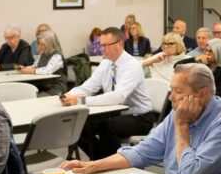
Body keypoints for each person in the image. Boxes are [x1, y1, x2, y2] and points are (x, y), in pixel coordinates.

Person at [61, 63, 221, 174]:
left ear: (201, 94)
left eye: (178, 91)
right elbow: (143, 152)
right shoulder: (178, 113)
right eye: (171, 90)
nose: (171, 98)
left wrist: (182, 126)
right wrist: (93, 165)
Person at [61, 27, 153, 159]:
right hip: (115, 113)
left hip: (139, 117)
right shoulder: (106, 64)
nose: (102, 49)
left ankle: (108, 163)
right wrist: (69, 95)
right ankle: (101, 160)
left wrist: (81, 101)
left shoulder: (132, 66)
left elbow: (118, 97)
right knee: (78, 126)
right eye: (101, 45)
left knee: (107, 126)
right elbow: (88, 87)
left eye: (105, 45)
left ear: (119, 44)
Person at [19, 30, 68, 96]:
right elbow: (35, 65)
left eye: (42, 44)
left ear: (50, 44)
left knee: (37, 96)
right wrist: (25, 68)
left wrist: (32, 71)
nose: (39, 46)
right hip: (43, 86)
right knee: (24, 91)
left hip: (56, 87)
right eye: (39, 44)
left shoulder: (57, 56)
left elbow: (47, 71)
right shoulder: (43, 54)